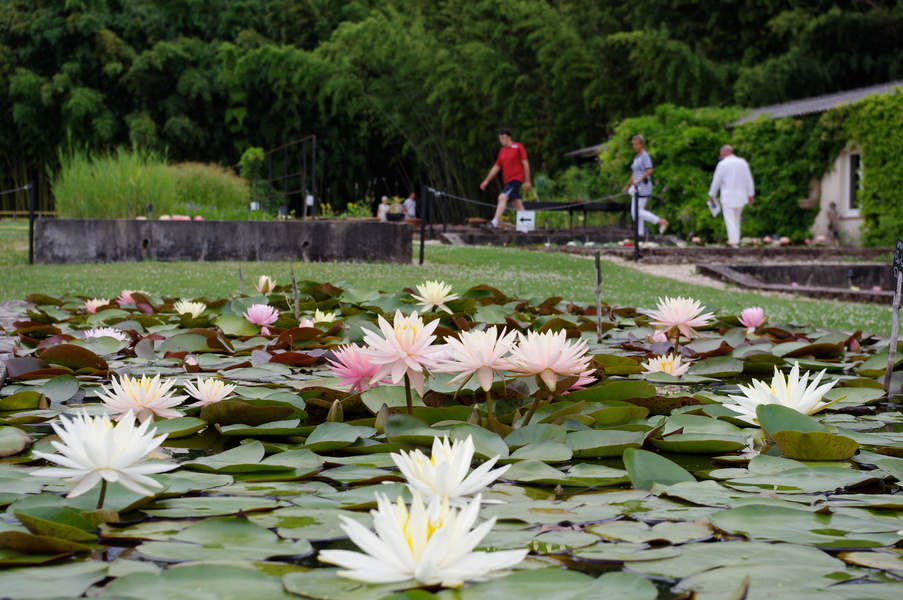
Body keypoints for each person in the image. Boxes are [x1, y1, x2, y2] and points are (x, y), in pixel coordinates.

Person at [480, 128, 531, 229]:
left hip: (516, 178)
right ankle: (527, 227)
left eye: (503, 138)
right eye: (500, 138)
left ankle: (493, 223)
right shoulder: (502, 151)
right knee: (517, 204)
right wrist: (486, 180)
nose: (501, 140)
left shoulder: (518, 147)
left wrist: (527, 181)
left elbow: (525, 163)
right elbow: (496, 167)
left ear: (509, 138)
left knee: (502, 197)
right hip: (507, 181)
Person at [708, 145, 755, 246]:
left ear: (724, 152)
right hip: (741, 196)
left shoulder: (723, 164)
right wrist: (750, 194)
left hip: (728, 196)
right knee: (736, 219)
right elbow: (748, 179)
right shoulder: (742, 162)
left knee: (730, 220)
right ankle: (736, 241)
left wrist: (712, 195)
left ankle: (733, 242)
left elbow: (716, 181)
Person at [622, 135, 668, 235]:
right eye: (633, 145)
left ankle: (659, 221)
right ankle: (640, 233)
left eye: (636, 144)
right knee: (636, 212)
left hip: (643, 187)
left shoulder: (645, 155)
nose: (634, 147)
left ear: (642, 144)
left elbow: (650, 169)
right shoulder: (637, 157)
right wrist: (628, 185)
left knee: (636, 212)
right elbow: (635, 172)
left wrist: (639, 180)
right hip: (636, 187)